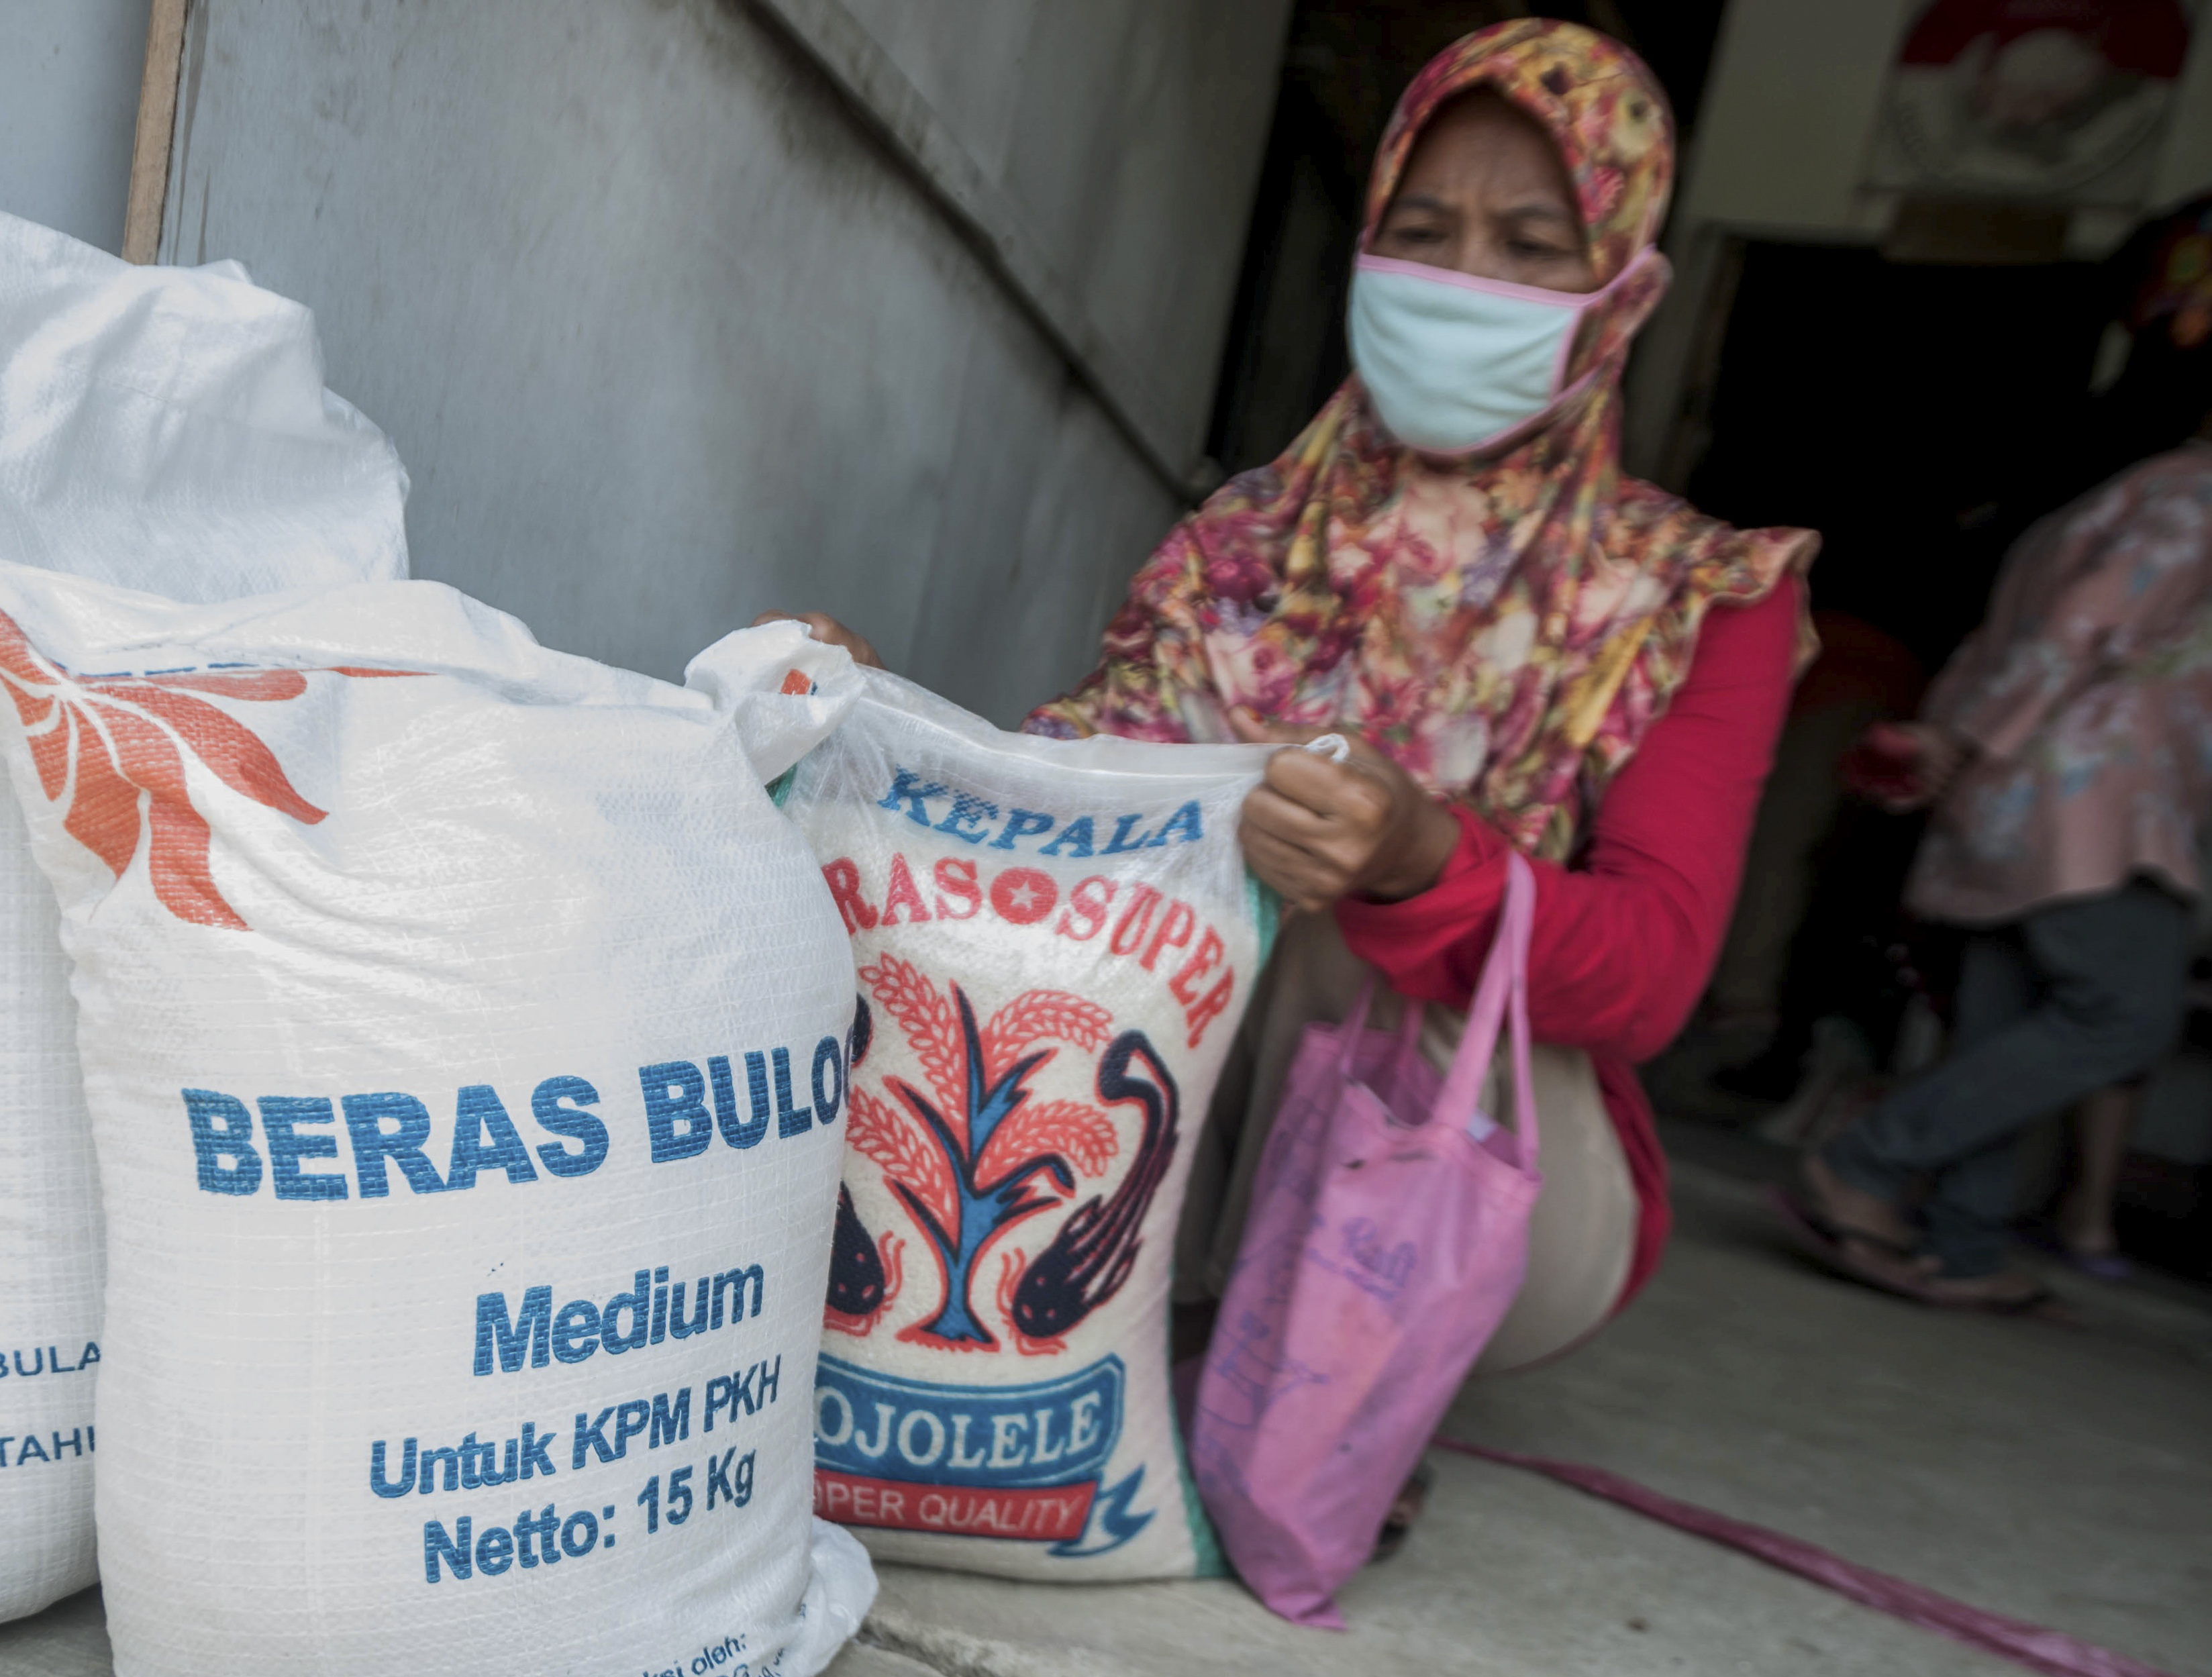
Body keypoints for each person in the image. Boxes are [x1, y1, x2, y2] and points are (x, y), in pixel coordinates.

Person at [770, 20, 1816, 1384]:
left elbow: (1648, 974)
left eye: (1530, 246)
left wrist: (1419, 862)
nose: (1461, 281)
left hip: (1480, 1201)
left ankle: (1280, 1377)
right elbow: (1061, 810)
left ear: (1619, 288)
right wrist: (870, 718)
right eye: (1422, 230)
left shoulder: (1697, 597)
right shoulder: (1247, 547)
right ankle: (1087, 1324)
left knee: (1335, 908)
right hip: (1162, 1152)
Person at [1784, 410, 2212, 1311]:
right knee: (2125, 1014)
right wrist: (1965, 738)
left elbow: (2020, 634)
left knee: (2004, 1017)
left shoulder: (2123, 493)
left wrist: (1958, 747)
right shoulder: (2195, 500)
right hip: (2091, 793)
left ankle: (1962, 1244)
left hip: (2011, 793)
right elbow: (2079, 627)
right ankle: (1865, 1158)